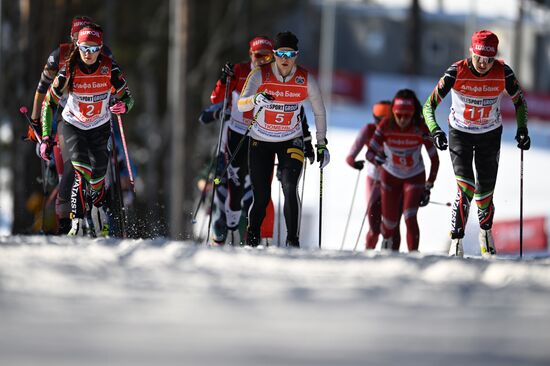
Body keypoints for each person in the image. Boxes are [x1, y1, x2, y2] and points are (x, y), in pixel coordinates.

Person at [423, 30, 530, 258]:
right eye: (479, 58)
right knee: (466, 188)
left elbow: (520, 102)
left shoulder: (503, 72)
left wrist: (522, 129)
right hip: (460, 133)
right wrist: (435, 130)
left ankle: (485, 234)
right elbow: (428, 106)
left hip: (490, 136)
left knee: (484, 196)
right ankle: (457, 240)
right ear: (471, 52)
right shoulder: (457, 71)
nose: (483, 64)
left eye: (489, 59)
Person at [40, 23, 134, 236]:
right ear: (78, 48)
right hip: (73, 125)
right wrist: (46, 136)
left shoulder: (109, 68)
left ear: (100, 48)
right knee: (81, 170)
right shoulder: (69, 70)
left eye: (93, 49)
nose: (88, 54)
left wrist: (123, 105)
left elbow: (128, 97)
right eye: (84, 48)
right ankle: (77, 221)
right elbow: (49, 102)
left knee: (98, 179)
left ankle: (98, 211)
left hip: (100, 127)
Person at [238, 31, 329, 247]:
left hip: (291, 140)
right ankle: (252, 237)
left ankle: (292, 241)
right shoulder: (260, 74)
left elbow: (319, 112)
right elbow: (241, 104)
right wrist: (256, 99)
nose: (285, 59)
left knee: (289, 186)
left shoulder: (305, 79)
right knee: (261, 197)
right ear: (274, 54)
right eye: (280, 54)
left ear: (296, 55)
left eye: (290, 54)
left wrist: (321, 144)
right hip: (260, 141)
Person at [29, 15, 116, 234]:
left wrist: (116, 99)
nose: (86, 50)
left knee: (99, 169)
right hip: (67, 121)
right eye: (79, 39)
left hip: (97, 121)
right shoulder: (58, 56)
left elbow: (116, 84)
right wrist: (36, 123)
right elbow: (42, 92)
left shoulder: (102, 53)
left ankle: (99, 213)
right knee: (68, 170)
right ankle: (67, 223)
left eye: (89, 42)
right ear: (73, 38)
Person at [209, 36, 276, 243]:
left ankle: (256, 236)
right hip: (237, 134)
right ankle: (229, 231)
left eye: (267, 56)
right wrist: (223, 79)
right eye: (258, 56)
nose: (262, 60)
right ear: (251, 54)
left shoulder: (276, 75)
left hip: (262, 136)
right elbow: (216, 99)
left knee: (260, 188)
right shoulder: (238, 70)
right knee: (235, 187)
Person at [366, 89, 439, 252]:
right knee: (389, 224)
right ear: (393, 112)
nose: (402, 119)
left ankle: (414, 256)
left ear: (414, 114)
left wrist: (428, 186)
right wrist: (376, 158)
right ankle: (387, 248)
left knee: (409, 217)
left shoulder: (421, 127)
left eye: (407, 115)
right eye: (399, 114)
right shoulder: (385, 125)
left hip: (414, 177)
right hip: (390, 177)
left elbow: (434, 159)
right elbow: (369, 153)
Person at [346, 100, 402, 250]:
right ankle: (368, 251)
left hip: (394, 180)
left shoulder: (399, 131)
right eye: (379, 121)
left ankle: (392, 253)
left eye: (387, 121)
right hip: (374, 180)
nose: (382, 125)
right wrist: (354, 162)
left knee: (393, 224)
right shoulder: (368, 130)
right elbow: (350, 156)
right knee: (374, 225)